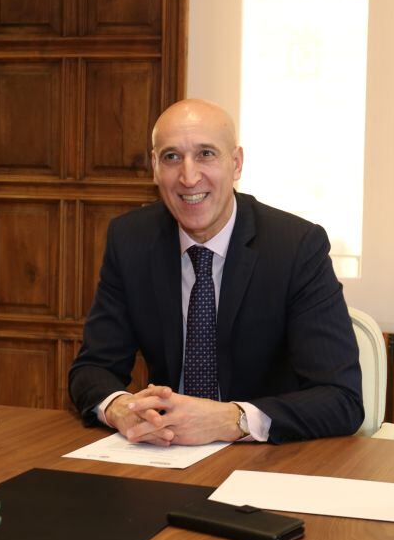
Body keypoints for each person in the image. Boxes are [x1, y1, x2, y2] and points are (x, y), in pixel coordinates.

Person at [69, 99, 362, 445]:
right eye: (172, 157)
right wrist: (120, 407)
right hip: (163, 455)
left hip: (266, 462)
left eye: (206, 154)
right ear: (154, 166)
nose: (189, 177)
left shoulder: (295, 246)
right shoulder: (131, 240)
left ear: (236, 163)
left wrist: (232, 419)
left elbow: (341, 399)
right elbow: (91, 369)